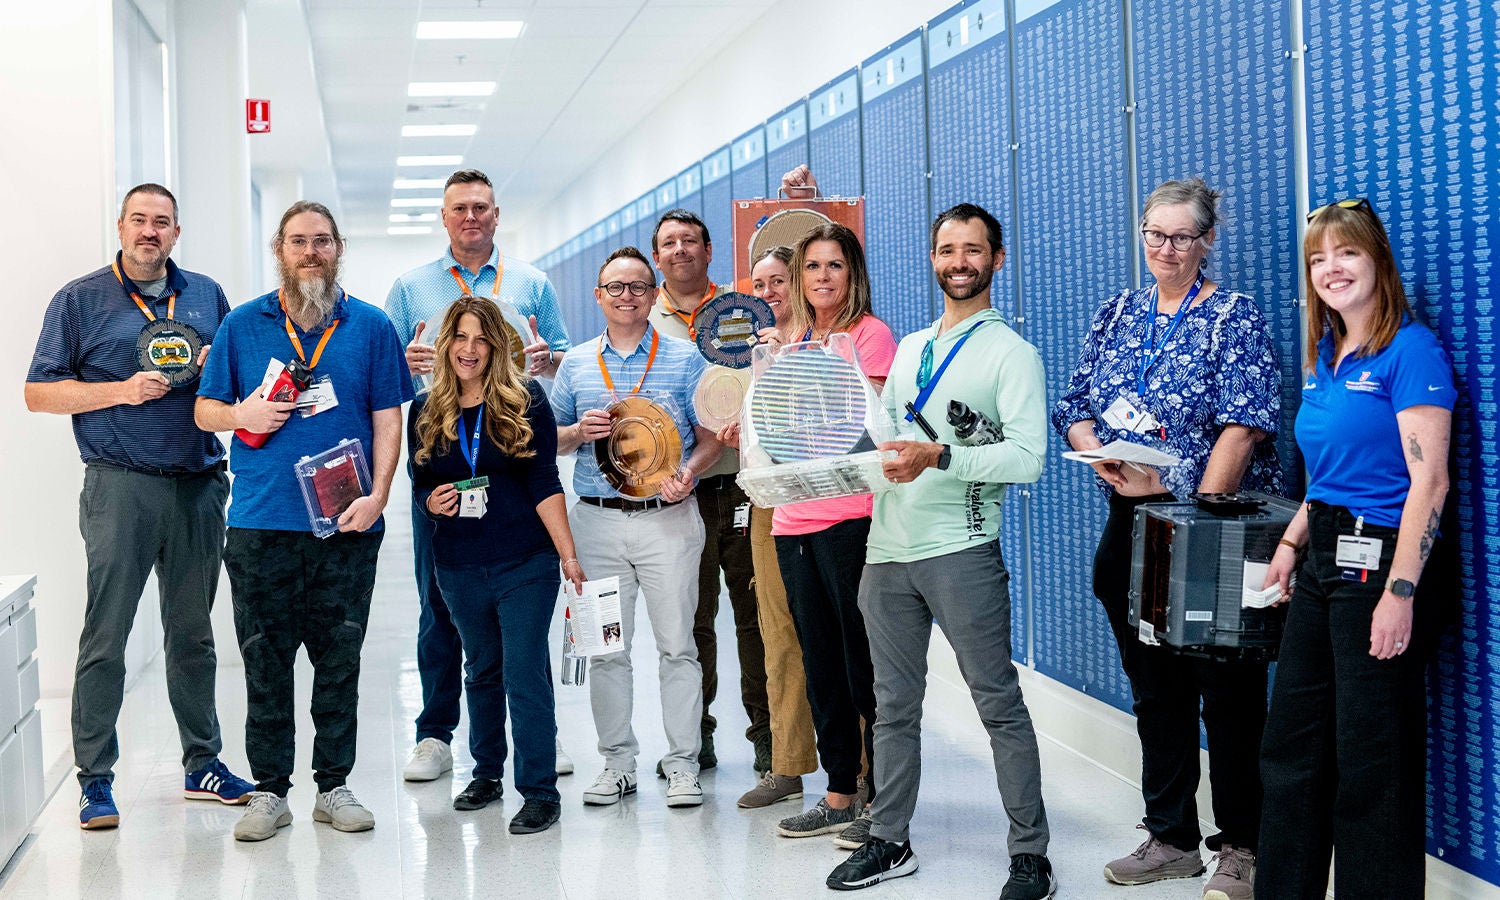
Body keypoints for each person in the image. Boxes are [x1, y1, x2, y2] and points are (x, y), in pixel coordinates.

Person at [1051, 178, 1282, 899]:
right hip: (1133, 525)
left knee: (1230, 696)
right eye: (1156, 234)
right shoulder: (1118, 312)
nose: (1167, 248)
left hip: (1212, 530)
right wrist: (1099, 455)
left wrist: (1189, 508)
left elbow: (1244, 426)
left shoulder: (1232, 317)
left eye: (1183, 236)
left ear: (1207, 240)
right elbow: (1074, 403)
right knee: (1157, 689)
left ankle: (1243, 846)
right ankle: (1172, 836)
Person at [826, 204, 1055, 899]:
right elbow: (886, 436)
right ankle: (889, 839)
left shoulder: (1011, 353)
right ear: (933, 259)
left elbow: (1028, 458)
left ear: (997, 259)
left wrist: (941, 455)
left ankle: (1030, 855)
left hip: (961, 549)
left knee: (997, 704)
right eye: (948, 250)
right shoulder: (911, 347)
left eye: (973, 250)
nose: (960, 262)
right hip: (886, 551)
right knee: (892, 707)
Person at [24, 183, 253, 829]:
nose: (150, 232)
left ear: (177, 232)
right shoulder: (79, 299)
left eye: (163, 222)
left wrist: (213, 368)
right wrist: (120, 390)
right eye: (140, 220)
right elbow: (39, 393)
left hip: (198, 484)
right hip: (121, 485)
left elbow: (235, 383)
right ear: (121, 226)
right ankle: (95, 780)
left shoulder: (205, 294)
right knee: (107, 636)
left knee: (193, 635)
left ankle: (203, 763)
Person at [195, 201, 413, 842]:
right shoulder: (242, 324)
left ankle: (333, 786)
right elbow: (205, 410)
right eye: (298, 241)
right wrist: (242, 415)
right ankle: (269, 791)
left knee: (339, 659)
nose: (310, 252)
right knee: (264, 661)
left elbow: (388, 419)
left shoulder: (370, 325)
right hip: (261, 524)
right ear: (279, 250)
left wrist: (379, 496)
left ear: (338, 248)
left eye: (321, 241)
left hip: (346, 523)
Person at [1256, 198, 1454, 898]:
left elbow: (1430, 481)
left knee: (1372, 755)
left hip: (1384, 559)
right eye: (1318, 258)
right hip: (1323, 555)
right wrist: (1291, 543)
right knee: (1293, 744)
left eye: (1347, 253)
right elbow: (1328, 476)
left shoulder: (1411, 351)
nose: (1331, 269)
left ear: (1378, 262)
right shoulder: (1325, 354)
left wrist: (1400, 592)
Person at [384, 168, 574, 783]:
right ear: (444, 217)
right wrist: (405, 361)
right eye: (459, 208)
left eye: (481, 207)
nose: (471, 216)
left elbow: (562, 363)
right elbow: (384, 373)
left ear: (496, 214)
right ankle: (435, 734)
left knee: (521, 636)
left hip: (509, 463)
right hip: (443, 462)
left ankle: (537, 738)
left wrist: (548, 360)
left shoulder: (532, 283)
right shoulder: (411, 288)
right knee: (439, 607)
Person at [550, 246, 724, 809]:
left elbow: (711, 437)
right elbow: (550, 440)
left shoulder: (686, 359)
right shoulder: (577, 364)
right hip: (596, 525)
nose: (627, 296)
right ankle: (617, 764)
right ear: (598, 296)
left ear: (654, 295)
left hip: (667, 522)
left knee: (678, 646)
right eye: (615, 287)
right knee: (605, 650)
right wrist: (577, 432)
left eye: (637, 287)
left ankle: (682, 764)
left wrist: (689, 473)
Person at [409, 296, 584, 834]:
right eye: (460, 338)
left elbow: (544, 480)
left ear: (497, 346)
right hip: (458, 563)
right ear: (446, 345)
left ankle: (539, 791)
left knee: (524, 671)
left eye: (481, 339)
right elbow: (420, 484)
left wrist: (568, 554)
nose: (470, 349)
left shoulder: (525, 399)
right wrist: (430, 501)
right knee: (481, 669)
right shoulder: (426, 409)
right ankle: (486, 774)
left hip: (524, 560)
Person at [760, 223, 897, 848]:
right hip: (793, 517)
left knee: (861, 659)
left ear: (852, 273)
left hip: (850, 516)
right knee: (818, 661)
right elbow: (777, 423)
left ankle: (881, 793)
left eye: (834, 265)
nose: (822, 277)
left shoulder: (869, 336)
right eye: (812, 266)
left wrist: (803, 385)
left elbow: (864, 419)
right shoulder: (789, 341)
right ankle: (839, 791)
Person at [648, 208, 768, 775]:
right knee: (691, 620)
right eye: (669, 243)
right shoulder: (643, 318)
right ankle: (695, 736)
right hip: (681, 490)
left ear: (709, 250)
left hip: (743, 484)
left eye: (690, 240)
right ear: (657, 257)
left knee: (755, 614)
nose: (680, 250)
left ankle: (768, 737)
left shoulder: (745, 309)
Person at [720, 246, 819, 810]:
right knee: (774, 631)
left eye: (778, 281)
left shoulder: (815, 343)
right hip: (766, 500)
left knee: (833, 633)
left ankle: (857, 770)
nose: (768, 294)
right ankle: (786, 764)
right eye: (758, 286)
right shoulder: (752, 351)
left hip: (823, 502)